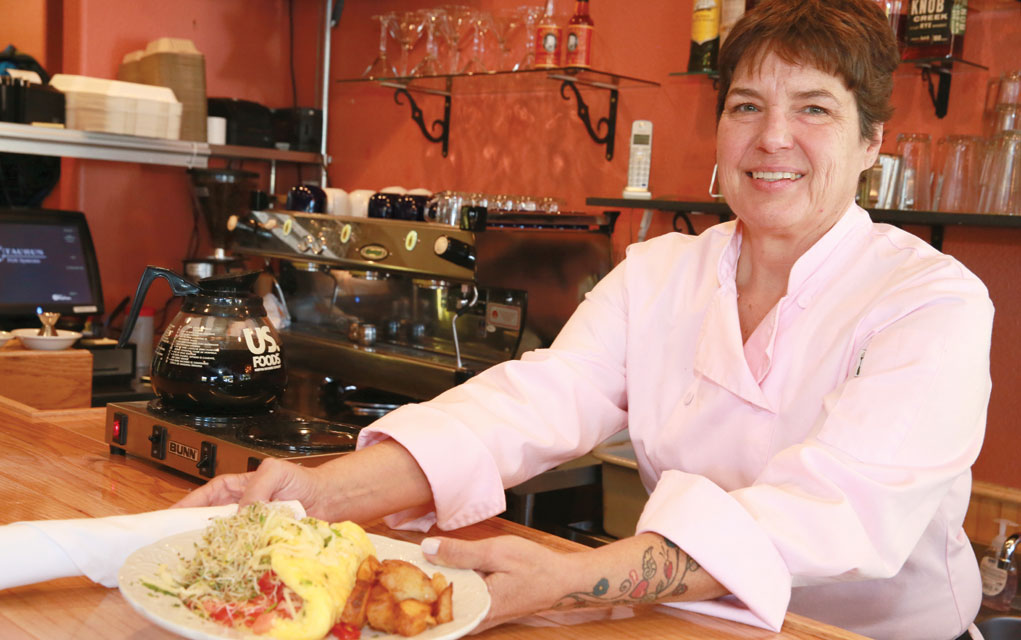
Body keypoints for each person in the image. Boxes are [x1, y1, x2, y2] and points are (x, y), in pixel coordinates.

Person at [176, 0, 994, 638]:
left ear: (870, 143)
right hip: (683, 627)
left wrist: (570, 579)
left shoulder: (931, 303)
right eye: (746, 105)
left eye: (814, 108)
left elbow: (830, 508)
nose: (771, 138)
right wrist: (317, 497)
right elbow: (537, 400)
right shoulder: (664, 272)